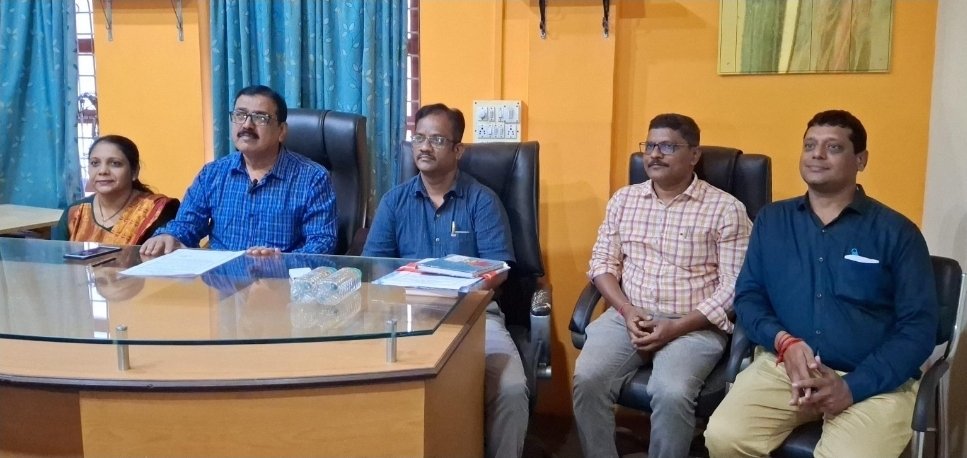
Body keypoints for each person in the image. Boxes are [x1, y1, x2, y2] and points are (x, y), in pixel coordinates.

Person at [704, 110, 938, 457]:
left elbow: (918, 328)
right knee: (724, 437)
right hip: (784, 368)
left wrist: (853, 386)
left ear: (861, 160)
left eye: (833, 147)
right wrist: (783, 342)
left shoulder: (896, 232)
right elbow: (749, 297)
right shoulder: (772, 220)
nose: (817, 154)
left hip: (872, 380)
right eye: (810, 145)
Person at [572, 113, 752, 458]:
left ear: (694, 155)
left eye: (667, 147)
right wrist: (626, 310)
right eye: (650, 146)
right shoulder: (624, 200)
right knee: (588, 378)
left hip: (693, 325)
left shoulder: (726, 209)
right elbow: (603, 264)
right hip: (629, 316)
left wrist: (676, 327)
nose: (654, 154)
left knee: (671, 392)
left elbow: (734, 287)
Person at [362, 103, 528, 458]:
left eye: (437, 140)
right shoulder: (394, 202)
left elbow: (499, 270)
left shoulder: (482, 201)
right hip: (406, 315)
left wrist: (458, 287)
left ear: (457, 150)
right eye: (419, 138)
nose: (424, 147)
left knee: (512, 388)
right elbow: (374, 267)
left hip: (474, 317)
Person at [141, 85, 337, 256]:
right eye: (240, 115)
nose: (247, 125)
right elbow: (187, 225)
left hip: (280, 281)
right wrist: (168, 236)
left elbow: (322, 242)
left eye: (260, 117)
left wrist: (281, 262)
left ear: (281, 131)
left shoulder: (313, 178)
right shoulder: (213, 174)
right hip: (222, 280)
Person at [53, 135, 178, 245]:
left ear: (134, 171)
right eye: (95, 163)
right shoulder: (75, 212)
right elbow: (56, 258)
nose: (103, 171)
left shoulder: (156, 211)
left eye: (115, 163)